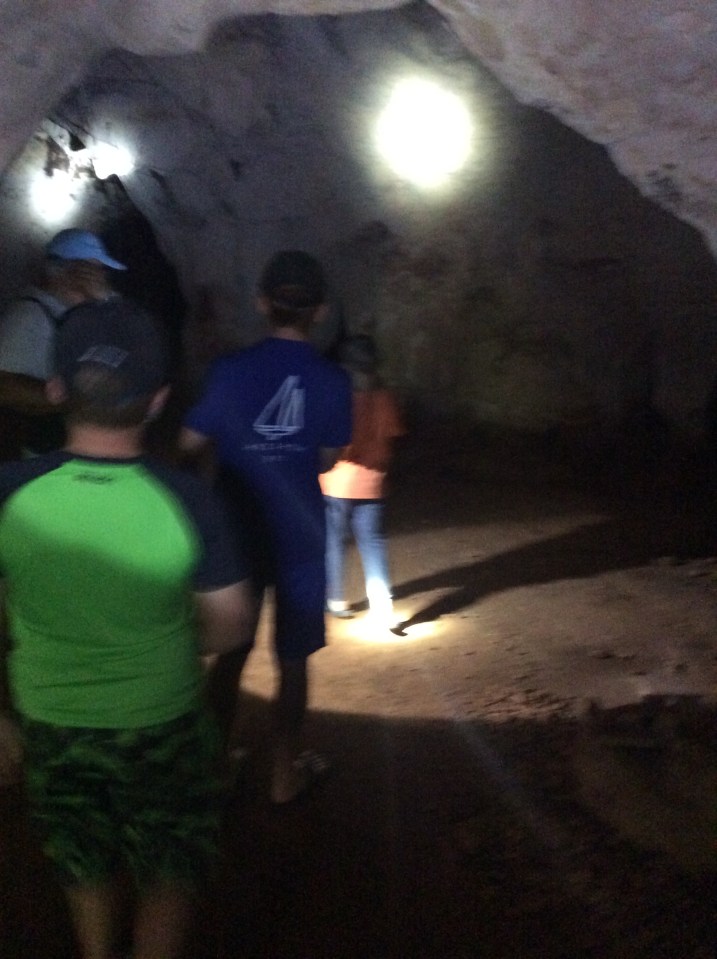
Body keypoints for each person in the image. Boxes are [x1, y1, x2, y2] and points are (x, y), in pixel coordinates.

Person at [0, 298, 255, 959]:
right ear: (157, 399)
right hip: (162, 721)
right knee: (169, 868)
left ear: (55, 391)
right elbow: (230, 626)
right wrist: (157, 634)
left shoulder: (9, 492)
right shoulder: (189, 499)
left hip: (51, 722)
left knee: (83, 860)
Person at [180, 250, 352, 804]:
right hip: (300, 535)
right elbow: (327, 461)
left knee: (229, 656)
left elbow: (186, 446)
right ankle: (284, 775)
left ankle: (208, 771)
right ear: (319, 311)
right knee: (294, 659)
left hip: (236, 532)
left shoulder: (228, 372)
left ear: (262, 303)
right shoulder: (332, 381)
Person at [0, 228, 125, 459]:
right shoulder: (28, 317)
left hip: (82, 447)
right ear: (72, 271)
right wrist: (73, 399)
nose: (101, 279)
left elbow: (129, 339)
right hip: (48, 452)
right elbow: (5, 386)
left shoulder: (77, 310)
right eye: (95, 270)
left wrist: (104, 299)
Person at [320, 334, 405, 628]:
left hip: (336, 482)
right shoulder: (385, 397)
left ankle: (336, 599)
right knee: (373, 542)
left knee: (334, 541)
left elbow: (333, 442)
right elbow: (392, 436)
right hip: (373, 483)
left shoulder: (338, 396)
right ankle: (382, 607)